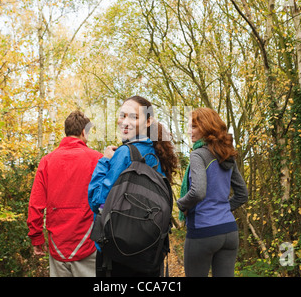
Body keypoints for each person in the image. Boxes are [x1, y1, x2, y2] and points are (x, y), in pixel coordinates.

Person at [88, 95, 178, 277]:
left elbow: (97, 201)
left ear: (148, 121)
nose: (125, 122)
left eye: (134, 117)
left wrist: (104, 161)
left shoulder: (124, 153)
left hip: (119, 255)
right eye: (122, 115)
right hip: (151, 252)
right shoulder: (158, 153)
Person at [27, 110, 103, 277]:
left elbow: (35, 204)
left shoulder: (47, 161)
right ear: (84, 132)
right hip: (88, 243)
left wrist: (36, 237)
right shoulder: (97, 159)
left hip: (57, 245)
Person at [177, 107, 248, 277]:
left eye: (193, 127)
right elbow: (242, 194)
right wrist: (222, 209)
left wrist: (181, 204)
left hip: (203, 231)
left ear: (206, 127)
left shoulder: (198, 155)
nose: (189, 131)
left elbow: (198, 192)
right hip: (229, 231)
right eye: (188, 127)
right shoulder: (227, 154)